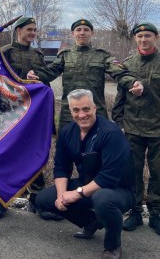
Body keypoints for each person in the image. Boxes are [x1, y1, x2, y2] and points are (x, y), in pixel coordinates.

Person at [36, 89, 135, 259]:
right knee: (44, 199)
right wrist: (61, 196)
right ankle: (90, 221)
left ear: (95, 108)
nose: (81, 115)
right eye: (76, 110)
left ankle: (112, 246)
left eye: (86, 109)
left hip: (119, 190)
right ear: (71, 111)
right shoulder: (67, 133)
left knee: (102, 199)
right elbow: (61, 167)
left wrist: (77, 193)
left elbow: (108, 177)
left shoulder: (111, 133)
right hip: (88, 185)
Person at [113, 22, 160, 237]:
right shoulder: (126, 64)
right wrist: (117, 123)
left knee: (157, 173)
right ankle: (135, 213)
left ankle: (156, 216)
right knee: (133, 172)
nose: (143, 39)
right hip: (132, 130)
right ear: (135, 39)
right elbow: (120, 98)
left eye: (147, 36)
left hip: (159, 130)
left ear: (156, 37)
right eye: (139, 36)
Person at [0, 16, 62, 221]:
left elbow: (43, 83)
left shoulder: (38, 54)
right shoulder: (6, 52)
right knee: (8, 156)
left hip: (33, 114)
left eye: (35, 30)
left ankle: (36, 199)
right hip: (11, 114)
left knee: (35, 155)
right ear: (18, 30)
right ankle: (1, 200)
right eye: (29, 29)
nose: (33, 33)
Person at [33, 19, 144, 130]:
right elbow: (50, 71)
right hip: (70, 113)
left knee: (97, 146)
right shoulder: (65, 56)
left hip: (96, 112)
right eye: (78, 30)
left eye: (86, 30)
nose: (82, 33)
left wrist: (133, 82)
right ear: (73, 33)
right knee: (67, 146)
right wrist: (35, 75)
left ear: (92, 33)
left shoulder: (102, 55)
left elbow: (118, 72)